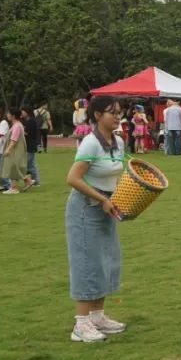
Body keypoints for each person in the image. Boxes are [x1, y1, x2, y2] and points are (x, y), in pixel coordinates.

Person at [64, 95, 128, 342]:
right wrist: (102, 199)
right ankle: (81, 324)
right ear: (98, 115)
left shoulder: (118, 141)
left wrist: (117, 198)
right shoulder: (90, 143)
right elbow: (73, 178)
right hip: (85, 208)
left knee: (106, 260)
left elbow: (114, 174)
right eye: (113, 112)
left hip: (106, 206)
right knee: (87, 262)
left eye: (119, 112)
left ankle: (97, 316)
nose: (118, 117)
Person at [0, 108, 35, 194]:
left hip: (15, 150)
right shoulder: (16, 125)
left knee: (13, 167)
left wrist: (8, 149)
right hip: (16, 149)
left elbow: (14, 140)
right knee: (15, 167)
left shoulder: (17, 126)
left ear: (13, 116)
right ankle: (28, 181)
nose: (7, 115)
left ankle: (14, 188)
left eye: (8, 114)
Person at [20, 106, 42, 187]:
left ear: (27, 112)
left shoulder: (31, 121)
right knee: (31, 165)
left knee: (26, 163)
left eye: (23, 111)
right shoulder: (26, 121)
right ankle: (36, 181)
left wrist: (20, 130)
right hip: (28, 145)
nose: (22, 113)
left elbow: (28, 133)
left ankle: (31, 181)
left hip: (30, 145)